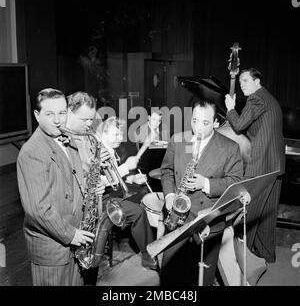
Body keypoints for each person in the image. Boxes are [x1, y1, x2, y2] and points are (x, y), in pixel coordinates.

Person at [16, 88, 103, 286]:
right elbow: (37, 209)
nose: (58, 120)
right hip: (54, 250)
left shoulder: (66, 140)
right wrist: (72, 235)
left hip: (76, 242)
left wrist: (90, 188)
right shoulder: (32, 151)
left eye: (62, 113)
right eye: (50, 114)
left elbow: (71, 182)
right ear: (37, 116)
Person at [160, 100, 243, 286]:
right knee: (170, 274)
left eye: (205, 123)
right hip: (177, 219)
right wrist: (170, 195)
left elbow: (236, 183)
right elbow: (166, 171)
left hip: (209, 221)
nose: (198, 128)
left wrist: (205, 183)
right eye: (195, 121)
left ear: (215, 123)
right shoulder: (178, 140)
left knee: (201, 277)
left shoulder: (230, 148)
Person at [225, 68, 285, 263]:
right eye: (240, 81)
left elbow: (240, 124)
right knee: (267, 214)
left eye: (245, 80)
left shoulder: (256, 99)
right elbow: (256, 130)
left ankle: (242, 262)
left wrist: (230, 109)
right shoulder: (269, 99)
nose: (242, 84)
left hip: (261, 166)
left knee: (249, 215)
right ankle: (266, 254)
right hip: (275, 165)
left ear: (257, 81)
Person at [96, 116, 158, 269]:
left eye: (121, 134)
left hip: (115, 193)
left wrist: (132, 179)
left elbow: (114, 178)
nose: (121, 138)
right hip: (104, 200)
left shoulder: (112, 150)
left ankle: (148, 238)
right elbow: (102, 182)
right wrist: (125, 167)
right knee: (138, 212)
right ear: (103, 134)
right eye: (116, 134)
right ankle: (147, 253)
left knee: (145, 194)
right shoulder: (100, 152)